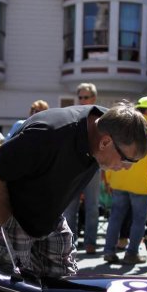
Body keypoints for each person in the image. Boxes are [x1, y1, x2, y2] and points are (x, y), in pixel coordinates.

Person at [0, 104, 147, 277]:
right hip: (2, 204)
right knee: (8, 290)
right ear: (105, 142)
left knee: (60, 286)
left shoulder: (110, 124)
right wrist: (9, 226)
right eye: (127, 160)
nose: (127, 168)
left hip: (44, 209)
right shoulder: (50, 133)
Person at [102, 97, 147, 266]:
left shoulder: (123, 128)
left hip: (118, 180)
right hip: (141, 185)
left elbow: (112, 153)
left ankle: (109, 251)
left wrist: (109, 179)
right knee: (139, 220)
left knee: (115, 217)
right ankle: (131, 253)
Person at [63, 83, 102, 254]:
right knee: (70, 208)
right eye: (80, 97)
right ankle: (70, 244)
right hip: (73, 167)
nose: (82, 100)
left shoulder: (100, 117)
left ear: (93, 98)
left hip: (93, 166)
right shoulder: (73, 115)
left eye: (86, 97)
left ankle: (90, 243)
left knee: (92, 207)